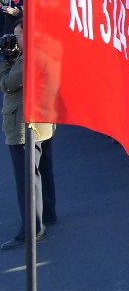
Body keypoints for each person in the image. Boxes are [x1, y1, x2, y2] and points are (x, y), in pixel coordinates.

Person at [0, 19, 55, 250]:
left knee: (27, 178)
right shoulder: (45, 48)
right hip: (43, 121)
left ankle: (32, 230)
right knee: (43, 171)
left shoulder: (29, 56)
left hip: (25, 125)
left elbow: (8, 84)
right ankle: (48, 214)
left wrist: (3, 61)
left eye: (18, 35)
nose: (15, 40)